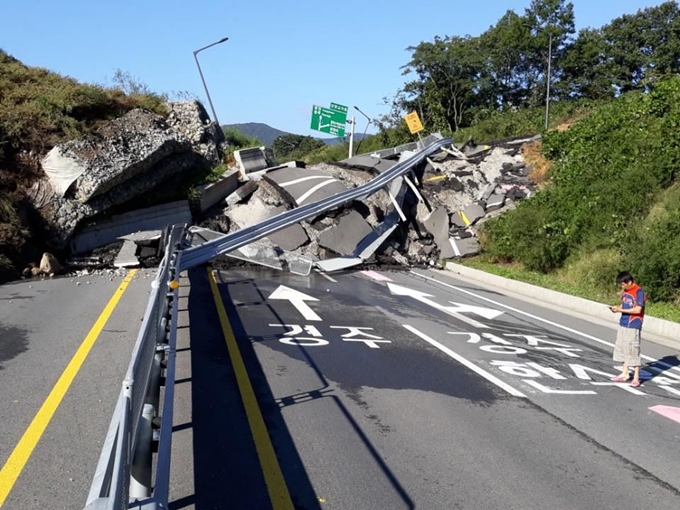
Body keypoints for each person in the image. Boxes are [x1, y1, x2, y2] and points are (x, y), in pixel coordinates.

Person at [609, 271, 646, 387]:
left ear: (629, 282)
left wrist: (620, 310)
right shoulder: (626, 292)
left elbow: (637, 310)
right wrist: (617, 308)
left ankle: (636, 377)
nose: (622, 286)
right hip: (623, 323)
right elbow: (625, 306)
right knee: (623, 349)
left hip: (633, 324)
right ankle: (624, 373)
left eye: (623, 284)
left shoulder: (639, 292)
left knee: (633, 350)